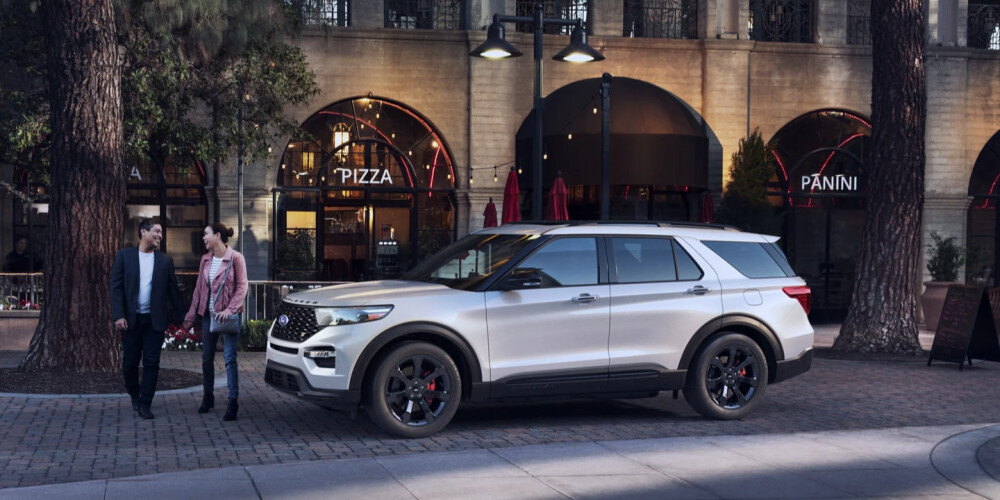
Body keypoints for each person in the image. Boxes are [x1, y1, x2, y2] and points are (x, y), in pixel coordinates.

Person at [110, 219, 184, 420]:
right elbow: (115, 288)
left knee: (152, 362)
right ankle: (134, 394)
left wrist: (185, 317)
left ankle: (145, 403)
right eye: (157, 231)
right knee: (129, 363)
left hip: (154, 321)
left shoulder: (165, 261)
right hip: (131, 321)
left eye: (161, 232)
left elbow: (173, 292)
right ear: (143, 232)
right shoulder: (124, 256)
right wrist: (119, 315)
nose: (160, 235)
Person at [183, 223, 248, 421]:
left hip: (228, 317)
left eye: (206, 234)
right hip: (209, 315)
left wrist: (229, 310)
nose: (203, 237)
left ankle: (232, 401)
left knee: (229, 358)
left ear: (217, 236)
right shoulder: (205, 260)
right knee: (206, 358)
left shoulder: (235, 258)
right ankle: (208, 396)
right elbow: (199, 290)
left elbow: (242, 287)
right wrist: (191, 315)